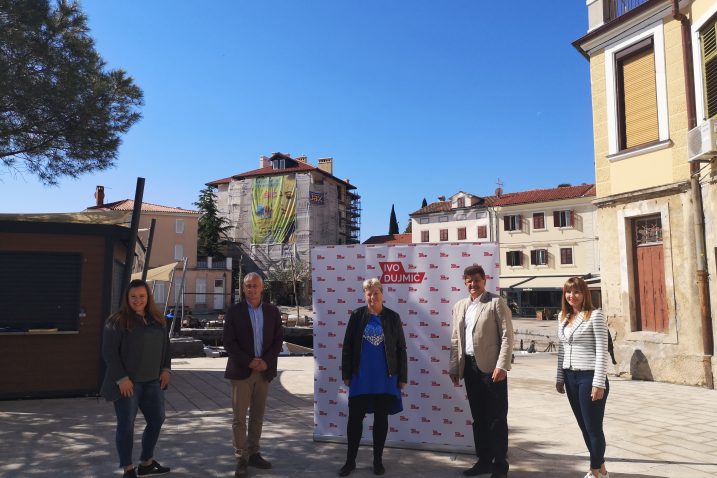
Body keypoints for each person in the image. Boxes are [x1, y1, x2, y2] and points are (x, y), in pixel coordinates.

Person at [101, 279, 171, 478]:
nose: (138, 300)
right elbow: (109, 353)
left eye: (141, 296)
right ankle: (128, 469)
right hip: (128, 384)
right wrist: (122, 379)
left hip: (152, 382)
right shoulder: (116, 321)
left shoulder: (158, 320)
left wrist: (166, 369)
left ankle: (146, 463)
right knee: (126, 425)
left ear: (148, 296)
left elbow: (166, 347)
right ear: (127, 298)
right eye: (133, 297)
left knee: (157, 419)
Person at [449, 265, 514, 478]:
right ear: (464, 282)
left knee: (496, 419)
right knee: (479, 418)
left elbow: (507, 336)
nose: (473, 284)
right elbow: (455, 339)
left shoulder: (496, 302)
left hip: (492, 369)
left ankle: (500, 466)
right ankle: (483, 461)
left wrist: (502, 365)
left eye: (476, 280)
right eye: (469, 281)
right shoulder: (460, 306)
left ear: (484, 280)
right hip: (470, 368)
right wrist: (454, 367)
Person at [339, 278, 407, 477]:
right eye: (369, 293)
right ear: (364, 295)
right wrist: (346, 374)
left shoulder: (393, 317)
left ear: (382, 294)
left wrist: (402, 376)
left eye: (376, 292)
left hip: (385, 378)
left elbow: (401, 348)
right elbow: (348, 346)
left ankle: (378, 461)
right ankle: (350, 461)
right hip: (360, 377)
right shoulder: (357, 316)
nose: (372, 296)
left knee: (381, 420)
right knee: (354, 420)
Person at [223, 272, 283, 478]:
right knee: (239, 417)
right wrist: (249, 361)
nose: (251, 289)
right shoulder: (234, 311)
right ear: (243, 288)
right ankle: (241, 457)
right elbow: (229, 343)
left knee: (257, 416)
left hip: (264, 371)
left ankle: (254, 452)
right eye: (247, 286)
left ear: (262, 288)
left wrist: (265, 360)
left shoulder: (272, 311)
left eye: (255, 286)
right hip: (242, 371)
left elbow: (277, 340)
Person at [555, 277, 610, 478]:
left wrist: (599, 382)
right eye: (569, 292)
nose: (572, 296)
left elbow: (602, 350)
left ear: (584, 294)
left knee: (593, 427)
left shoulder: (594, 315)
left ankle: (594, 470)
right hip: (570, 377)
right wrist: (560, 377)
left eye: (577, 292)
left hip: (589, 377)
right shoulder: (562, 317)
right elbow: (562, 349)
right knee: (583, 426)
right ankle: (602, 469)